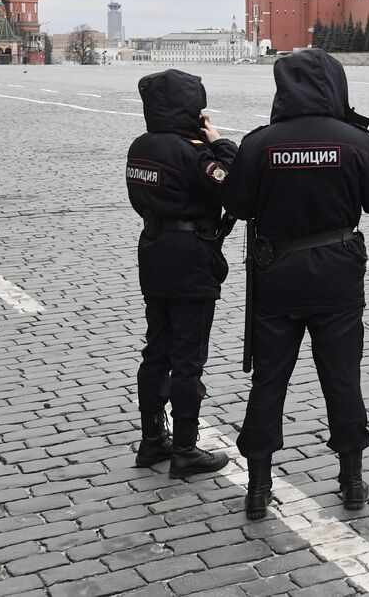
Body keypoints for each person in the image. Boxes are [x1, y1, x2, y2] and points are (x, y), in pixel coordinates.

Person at [223, 49, 369, 519]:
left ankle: (258, 488)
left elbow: (238, 205)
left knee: (269, 381)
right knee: (342, 378)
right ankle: (352, 481)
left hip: (275, 277)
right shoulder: (356, 141)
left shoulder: (259, 143)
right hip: (338, 276)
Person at [126, 69, 237, 478]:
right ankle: (187, 449)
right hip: (191, 256)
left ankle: (152, 439)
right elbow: (232, 181)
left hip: (153, 250)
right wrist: (218, 140)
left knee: (156, 348)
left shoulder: (140, 146)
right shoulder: (192, 153)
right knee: (189, 357)